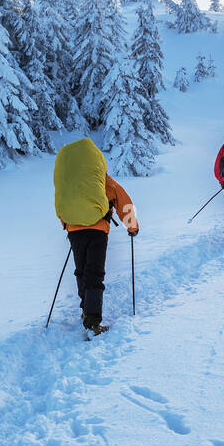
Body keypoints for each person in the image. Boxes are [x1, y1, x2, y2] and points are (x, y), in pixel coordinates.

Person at [54, 139, 139, 336]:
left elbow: (62, 202)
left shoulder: (70, 183)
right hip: (98, 229)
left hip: (74, 230)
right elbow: (123, 200)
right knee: (94, 272)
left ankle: (86, 309)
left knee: (81, 270)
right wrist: (132, 226)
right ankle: (92, 321)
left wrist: (67, 224)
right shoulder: (103, 181)